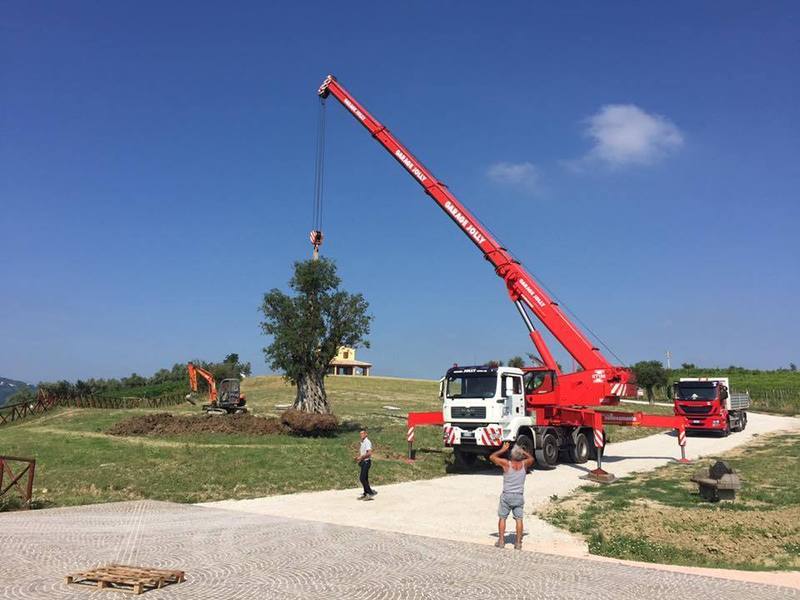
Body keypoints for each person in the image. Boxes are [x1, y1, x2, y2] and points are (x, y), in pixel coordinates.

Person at [489, 441, 534, 549]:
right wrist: (524, 452)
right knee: (519, 519)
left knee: (502, 518)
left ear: (511, 455)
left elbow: (492, 457)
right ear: (521, 456)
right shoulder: (524, 464)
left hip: (507, 495)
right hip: (519, 496)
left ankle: (501, 541)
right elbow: (532, 459)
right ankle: (518, 543)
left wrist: (502, 450)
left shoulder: (506, 464)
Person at [355, 428, 376, 500]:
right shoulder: (363, 442)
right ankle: (366, 492)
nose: (361, 435)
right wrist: (359, 458)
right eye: (360, 434)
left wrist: (361, 457)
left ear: (366, 434)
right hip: (364, 462)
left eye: (363, 433)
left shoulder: (367, 442)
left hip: (366, 462)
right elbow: (364, 453)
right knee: (365, 478)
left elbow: (369, 453)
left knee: (362, 478)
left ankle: (369, 494)